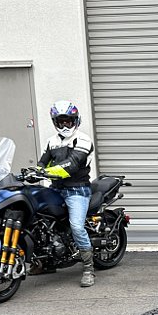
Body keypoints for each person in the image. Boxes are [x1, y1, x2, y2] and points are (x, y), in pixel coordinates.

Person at [39, 100, 96, 287]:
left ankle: (88, 268)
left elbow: (71, 165)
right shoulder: (51, 142)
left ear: (75, 121)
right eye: (61, 121)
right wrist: (31, 171)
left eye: (68, 121)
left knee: (77, 226)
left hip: (77, 190)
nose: (65, 125)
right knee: (38, 219)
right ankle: (44, 263)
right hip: (56, 189)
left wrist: (45, 172)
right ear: (55, 122)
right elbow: (43, 163)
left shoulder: (83, 140)